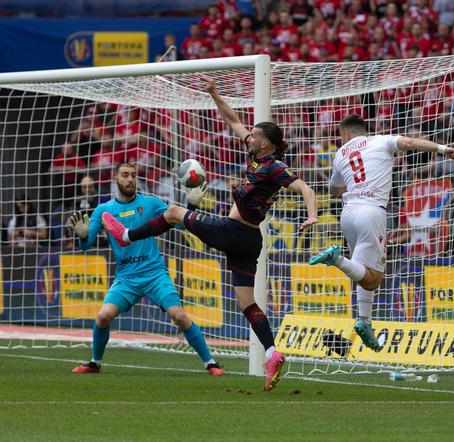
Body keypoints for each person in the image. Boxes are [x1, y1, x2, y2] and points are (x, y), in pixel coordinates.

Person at [102, 75, 318, 391]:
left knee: (174, 212)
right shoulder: (256, 156)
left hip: (234, 232)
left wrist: (312, 215)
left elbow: (304, 187)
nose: (250, 136)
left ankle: (127, 236)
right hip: (248, 240)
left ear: (267, 143)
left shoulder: (274, 166)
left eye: (256, 134)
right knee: (247, 302)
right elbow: (233, 121)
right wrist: (216, 93)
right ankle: (272, 353)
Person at [308, 114, 454, 351]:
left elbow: (335, 190)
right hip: (372, 212)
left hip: (348, 214)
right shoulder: (381, 141)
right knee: (374, 279)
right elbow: (411, 143)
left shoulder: (340, 154)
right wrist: (443, 148)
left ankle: (364, 320)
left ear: (347, 134)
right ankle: (336, 259)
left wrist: (351, 184)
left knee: (363, 272)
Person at [68, 163, 224, 377]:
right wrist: (83, 235)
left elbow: (179, 223)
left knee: (179, 316)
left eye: (133, 175)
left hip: (154, 274)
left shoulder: (150, 203)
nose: (130, 179)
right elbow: (85, 245)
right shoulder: (103, 210)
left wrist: (191, 206)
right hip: (126, 277)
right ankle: (95, 363)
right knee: (103, 316)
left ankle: (211, 363)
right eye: (125, 175)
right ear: (115, 179)